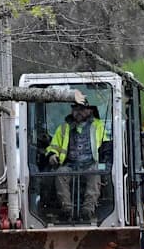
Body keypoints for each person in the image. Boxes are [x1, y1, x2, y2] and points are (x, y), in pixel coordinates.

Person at [45, 92, 112, 222]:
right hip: (69, 165)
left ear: (89, 110)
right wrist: (53, 155)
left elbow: (106, 147)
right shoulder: (63, 128)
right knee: (60, 173)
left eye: (82, 108)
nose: (78, 112)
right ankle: (67, 210)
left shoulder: (98, 126)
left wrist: (104, 163)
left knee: (95, 172)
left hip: (90, 164)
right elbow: (54, 146)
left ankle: (88, 211)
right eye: (75, 108)